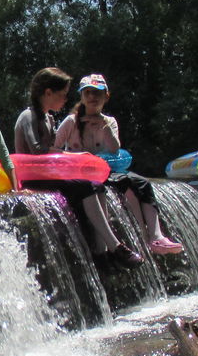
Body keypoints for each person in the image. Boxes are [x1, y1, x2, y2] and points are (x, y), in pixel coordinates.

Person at [14, 67, 143, 268]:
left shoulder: (49, 118)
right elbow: (38, 151)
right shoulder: (28, 116)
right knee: (85, 186)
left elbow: (53, 152)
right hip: (34, 177)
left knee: (97, 185)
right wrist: (75, 156)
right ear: (48, 93)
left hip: (49, 174)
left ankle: (103, 253)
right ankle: (116, 247)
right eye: (63, 95)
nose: (66, 100)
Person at [53, 73, 184, 256]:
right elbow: (53, 148)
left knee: (142, 183)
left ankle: (156, 236)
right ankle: (142, 237)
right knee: (126, 186)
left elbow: (115, 149)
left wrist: (103, 126)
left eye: (97, 93)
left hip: (106, 169)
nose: (92, 97)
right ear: (81, 97)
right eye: (88, 93)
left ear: (106, 96)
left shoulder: (109, 122)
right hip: (82, 173)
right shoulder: (71, 121)